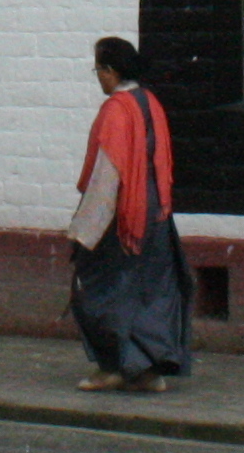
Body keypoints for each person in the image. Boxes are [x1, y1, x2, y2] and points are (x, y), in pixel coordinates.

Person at [68, 35, 193, 392]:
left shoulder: (116, 111)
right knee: (151, 291)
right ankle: (149, 370)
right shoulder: (151, 103)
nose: (97, 76)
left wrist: (85, 231)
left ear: (110, 71)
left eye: (98, 69)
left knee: (104, 288)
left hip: (122, 217)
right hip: (156, 214)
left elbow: (107, 175)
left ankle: (114, 367)